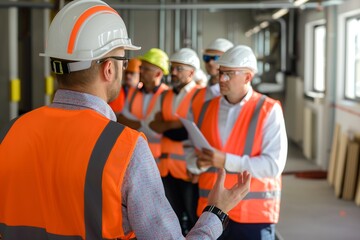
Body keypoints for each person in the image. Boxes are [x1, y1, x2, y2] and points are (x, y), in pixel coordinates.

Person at [0, 1, 252, 239]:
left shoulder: (10, 132)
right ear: (108, 68)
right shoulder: (124, 148)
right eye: (123, 61)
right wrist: (216, 212)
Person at [194, 45, 288, 240]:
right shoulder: (206, 108)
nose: (221, 79)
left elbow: (273, 166)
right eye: (221, 73)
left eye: (229, 74)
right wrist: (195, 164)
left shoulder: (269, 110)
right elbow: (195, 152)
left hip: (253, 216)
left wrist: (225, 161)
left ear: (247, 77)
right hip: (211, 212)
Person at [149, 48, 202, 235]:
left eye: (179, 69)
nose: (173, 73)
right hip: (166, 166)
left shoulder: (199, 95)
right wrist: (178, 124)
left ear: (192, 72)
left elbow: (193, 130)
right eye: (173, 68)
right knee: (172, 219)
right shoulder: (165, 95)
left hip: (189, 168)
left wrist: (169, 125)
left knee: (194, 219)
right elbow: (155, 124)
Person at [117, 48, 170, 161]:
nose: (141, 71)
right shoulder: (133, 92)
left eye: (146, 69)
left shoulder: (166, 95)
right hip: (132, 155)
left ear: (158, 74)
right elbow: (121, 119)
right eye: (141, 67)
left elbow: (154, 131)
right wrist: (146, 124)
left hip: (157, 159)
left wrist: (134, 123)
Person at [191, 38, 233, 122]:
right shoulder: (197, 93)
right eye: (206, 58)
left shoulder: (234, 94)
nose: (210, 62)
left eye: (217, 58)